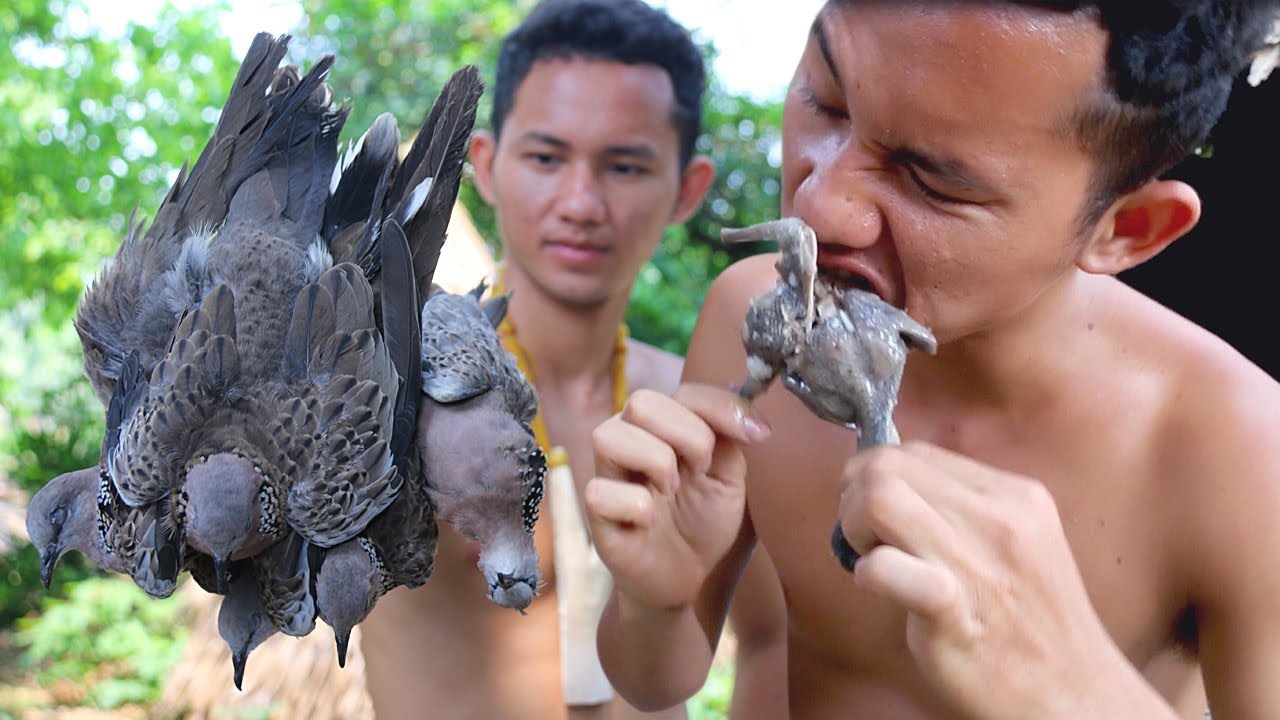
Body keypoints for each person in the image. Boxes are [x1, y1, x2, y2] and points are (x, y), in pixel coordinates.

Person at [585, 1, 1280, 718]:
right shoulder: (751, 319)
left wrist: (1084, 697)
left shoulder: (1239, 455)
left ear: (1126, 229)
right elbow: (653, 681)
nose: (822, 207)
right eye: (826, 101)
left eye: (933, 182)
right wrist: (652, 602)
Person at [359, 1, 788, 718]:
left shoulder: (696, 410)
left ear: (688, 187)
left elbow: (773, 636)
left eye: (624, 165)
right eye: (547, 158)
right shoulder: (386, 392)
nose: (581, 202)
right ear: (488, 167)